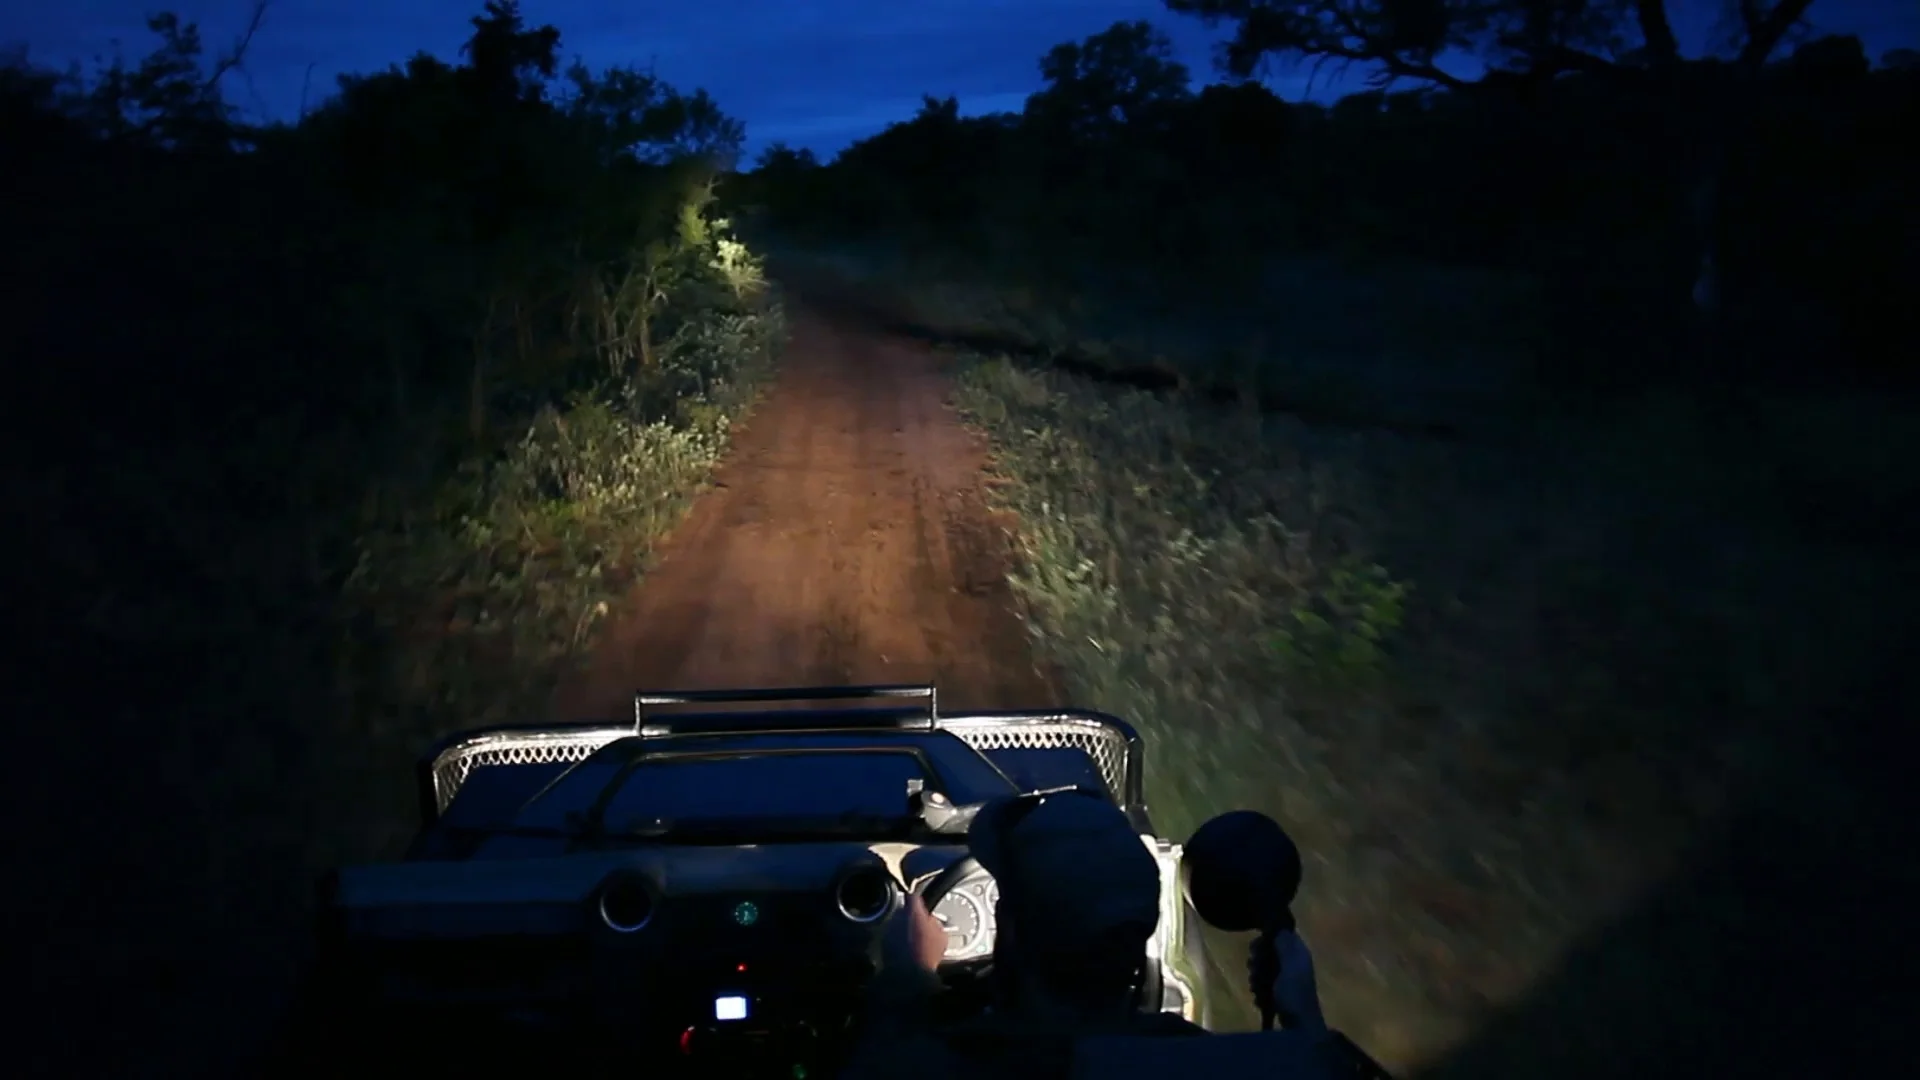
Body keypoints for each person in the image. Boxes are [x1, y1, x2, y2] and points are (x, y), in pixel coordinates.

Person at [839, 788, 1331, 1080]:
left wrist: (909, 973)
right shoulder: (1190, 1059)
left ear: (1009, 928)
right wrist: (1303, 1017)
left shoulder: (942, 1064)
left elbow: (875, 1064)